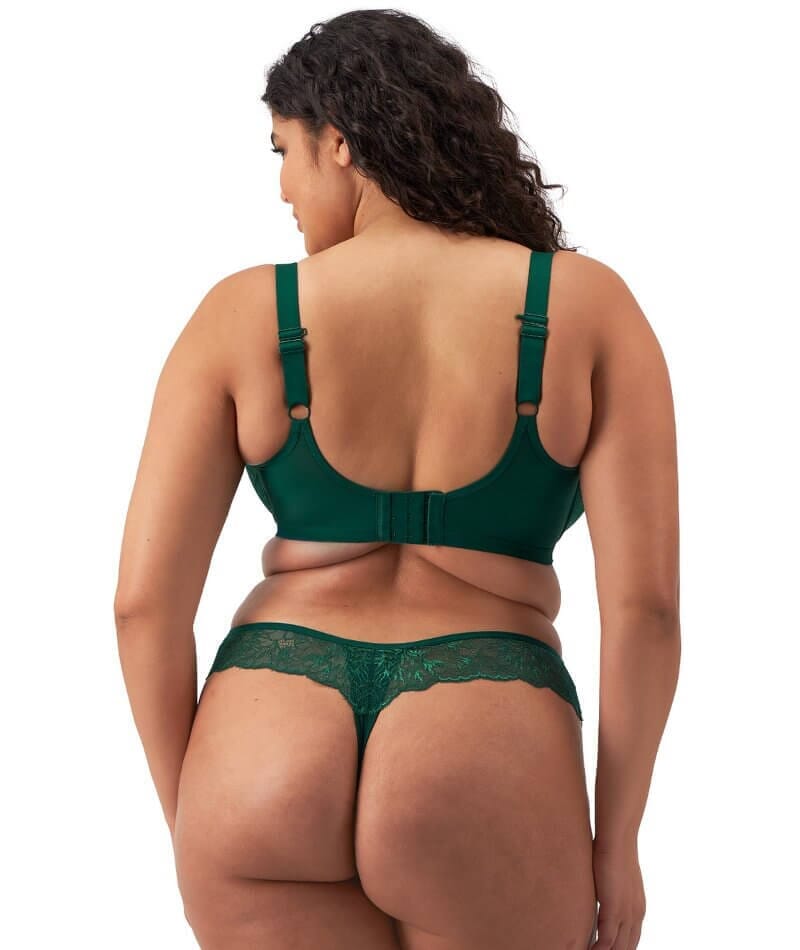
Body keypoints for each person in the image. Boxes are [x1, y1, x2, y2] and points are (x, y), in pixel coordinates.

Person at [114, 10, 680, 950]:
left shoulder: (241, 314)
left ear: (339, 141)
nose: (283, 189)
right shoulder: (586, 308)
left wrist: (202, 819)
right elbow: (647, 611)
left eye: (284, 151)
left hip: (262, 741)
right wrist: (617, 843)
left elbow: (141, 607)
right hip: (483, 740)